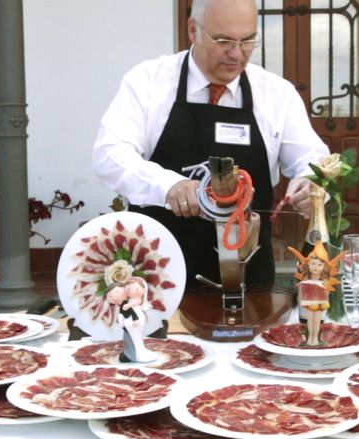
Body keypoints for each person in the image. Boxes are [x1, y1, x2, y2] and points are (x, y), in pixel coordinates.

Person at [93, 0, 330, 288]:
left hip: (248, 276)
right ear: (193, 30)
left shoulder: (277, 93)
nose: (236, 54)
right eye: (223, 41)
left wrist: (310, 183)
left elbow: (313, 158)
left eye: (247, 41)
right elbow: (110, 154)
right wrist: (168, 186)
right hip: (153, 275)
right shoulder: (148, 82)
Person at [287, 241, 343, 346]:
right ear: (308, 264)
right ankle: (310, 339)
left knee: (317, 320)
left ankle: (315, 338)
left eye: (319, 265)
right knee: (309, 320)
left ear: (324, 266)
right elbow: (302, 285)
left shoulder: (325, 279)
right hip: (309, 300)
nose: (315, 267)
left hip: (320, 301)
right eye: (313, 264)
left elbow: (327, 287)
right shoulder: (306, 277)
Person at [105, 281, 157, 363]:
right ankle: (130, 354)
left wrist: (135, 319)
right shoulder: (124, 303)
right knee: (130, 339)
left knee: (133, 339)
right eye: (110, 296)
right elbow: (122, 313)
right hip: (128, 325)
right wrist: (121, 320)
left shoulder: (127, 304)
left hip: (132, 324)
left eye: (117, 291)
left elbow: (132, 312)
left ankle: (133, 355)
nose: (112, 297)